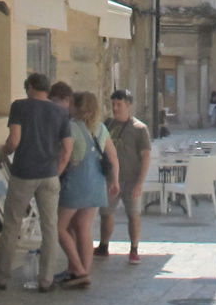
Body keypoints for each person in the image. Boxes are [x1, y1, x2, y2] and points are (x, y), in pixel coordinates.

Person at [0, 71, 73, 291]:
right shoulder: (60, 112)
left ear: (31, 87)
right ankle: (46, 279)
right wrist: (57, 170)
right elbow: (67, 149)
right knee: (50, 227)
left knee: (12, 225)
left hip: (24, 172)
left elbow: (14, 140)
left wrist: (5, 152)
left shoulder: (20, 107)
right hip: (49, 174)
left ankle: (1, 276)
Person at [55, 90, 115, 289]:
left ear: (75, 106)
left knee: (60, 227)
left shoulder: (70, 127)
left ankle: (78, 269)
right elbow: (112, 156)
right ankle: (83, 271)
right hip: (96, 182)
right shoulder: (101, 129)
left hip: (76, 182)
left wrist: (55, 175)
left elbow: (66, 153)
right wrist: (115, 181)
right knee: (83, 226)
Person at [97, 88, 152, 263]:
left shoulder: (139, 129)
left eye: (119, 104)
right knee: (106, 213)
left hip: (131, 179)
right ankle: (104, 245)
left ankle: (134, 249)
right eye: (113, 104)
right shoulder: (107, 125)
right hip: (110, 178)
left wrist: (140, 183)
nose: (115, 108)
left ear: (128, 106)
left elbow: (145, 157)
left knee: (133, 214)